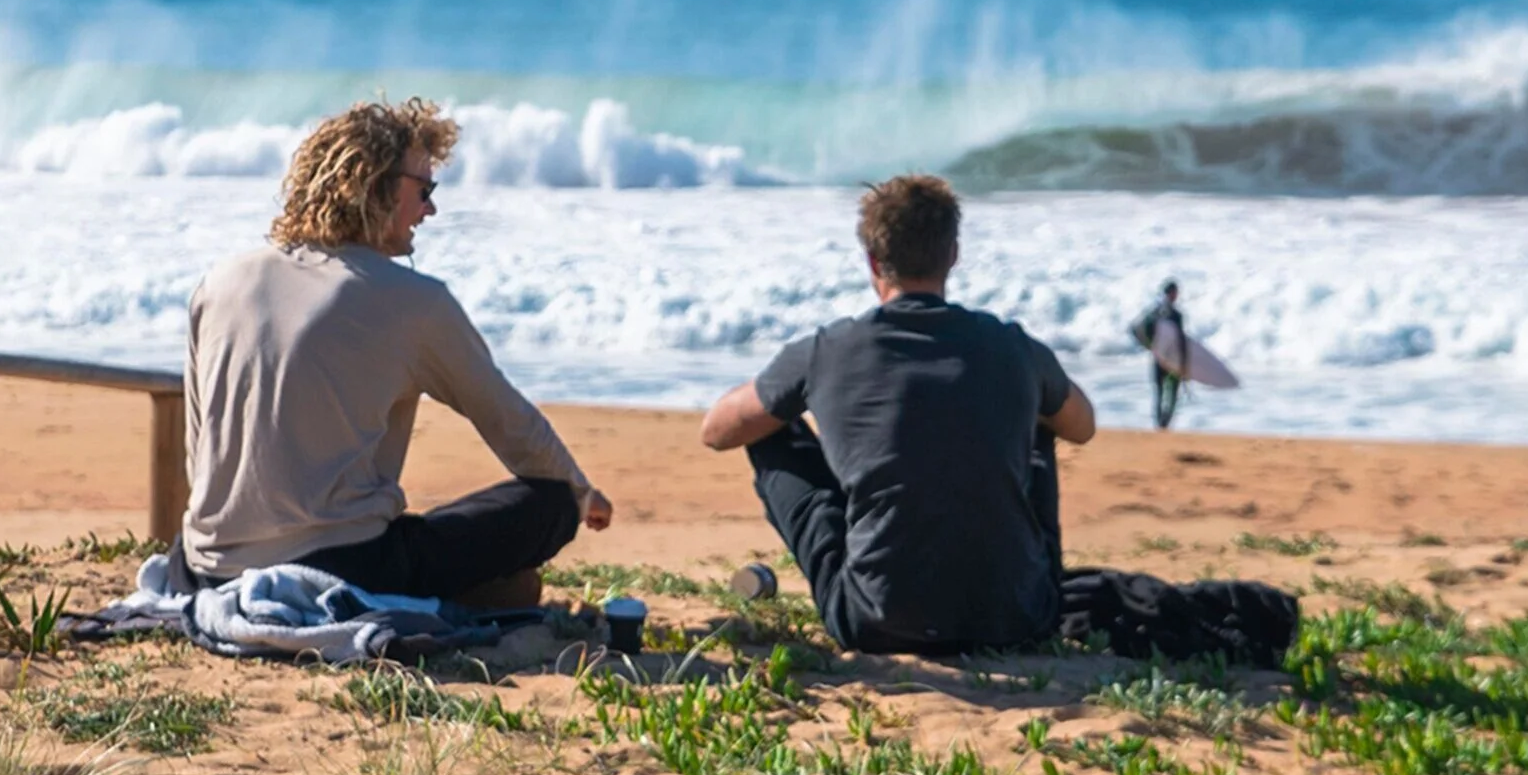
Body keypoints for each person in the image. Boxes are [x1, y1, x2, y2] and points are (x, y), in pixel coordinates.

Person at [174, 97, 612, 608]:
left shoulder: (221, 279)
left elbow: (199, 450)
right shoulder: (412, 301)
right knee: (548, 505)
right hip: (340, 569)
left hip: (203, 567)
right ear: (374, 184)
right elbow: (507, 420)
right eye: (424, 190)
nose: (430, 209)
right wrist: (581, 494)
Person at [699, 174, 1098, 655]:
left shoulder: (829, 350)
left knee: (765, 430)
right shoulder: (1013, 347)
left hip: (876, 620)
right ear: (953, 254)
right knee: (1041, 418)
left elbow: (718, 430)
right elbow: (1082, 426)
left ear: (871, 260)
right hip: (1018, 617)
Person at [1129, 281, 1185, 430]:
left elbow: (1180, 341)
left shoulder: (1168, 315)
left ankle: (1163, 423)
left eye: (1176, 293)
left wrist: (1149, 345)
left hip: (1166, 360)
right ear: (1168, 294)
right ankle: (1161, 423)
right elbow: (1136, 329)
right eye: (1173, 293)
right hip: (1164, 360)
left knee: (1168, 393)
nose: (1175, 296)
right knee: (1162, 392)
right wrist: (1149, 346)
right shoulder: (1165, 315)